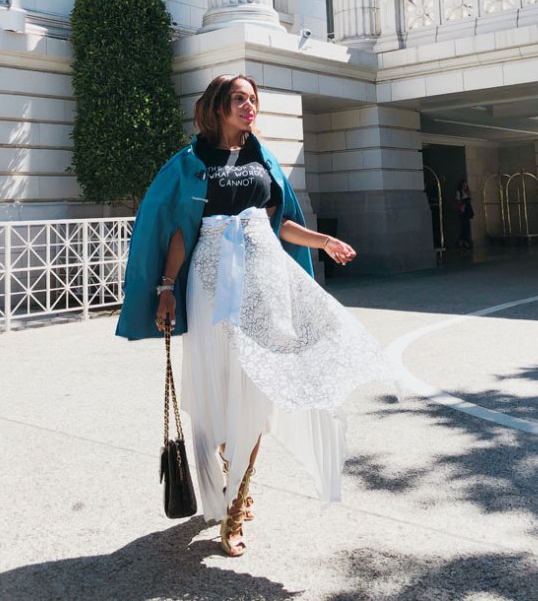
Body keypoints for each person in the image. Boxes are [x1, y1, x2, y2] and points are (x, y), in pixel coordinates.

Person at [116, 74, 388, 557]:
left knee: (257, 390)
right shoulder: (191, 162)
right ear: (218, 106)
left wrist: (324, 241)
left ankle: (237, 499)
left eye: (253, 99)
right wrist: (166, 288)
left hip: (264, 284)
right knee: (219, 390)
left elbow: (281, 223)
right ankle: (230, 458)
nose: (249, 106)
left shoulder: (263, 159)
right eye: (239, 99)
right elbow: (179, 231)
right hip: (208, 286)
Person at [455, 179, 474, 249]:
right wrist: (462, 206)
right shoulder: (459, 192)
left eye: (466, 185)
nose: (465, 186)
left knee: (467, 226)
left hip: (467, 210)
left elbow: (470, 200)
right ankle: (463, 240)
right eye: (464, 185)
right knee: (464, 226)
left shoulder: (467, 192)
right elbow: (458, 201)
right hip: (462, 211)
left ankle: (464, 240)